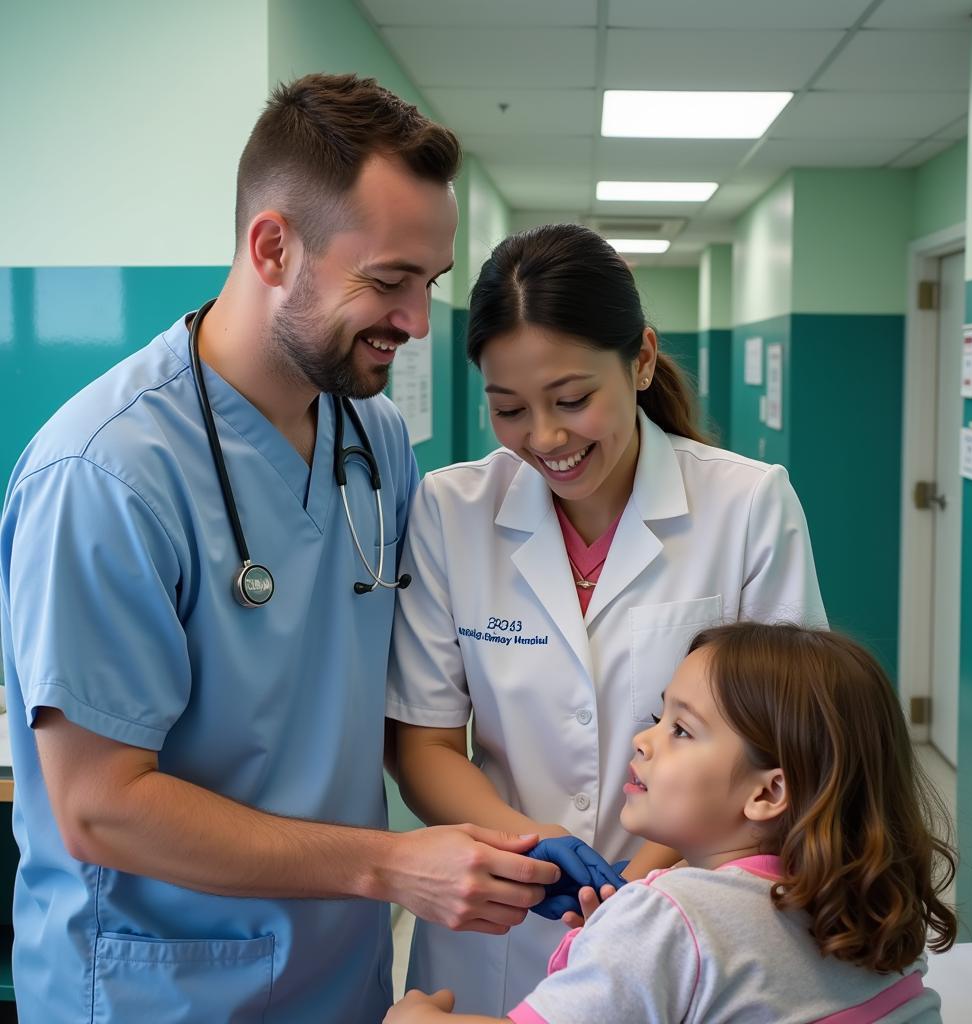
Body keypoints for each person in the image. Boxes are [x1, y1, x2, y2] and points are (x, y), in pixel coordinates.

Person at [0, 73, 558, 1024]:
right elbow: (99, 807)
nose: (419, 323)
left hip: (339, 976)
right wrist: (389, 865)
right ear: (271, 247)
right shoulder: (104, 476)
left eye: (429, 283)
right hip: (159, 989)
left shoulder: (373, 440)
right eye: (388, 282)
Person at [386, 224, 828, 1015]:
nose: (546, 438)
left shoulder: (747, 505)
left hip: (695, 919)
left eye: (573, 399)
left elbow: (793, 738)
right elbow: (421, 740)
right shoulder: (452, 510)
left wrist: (639, 888)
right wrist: (535, 856)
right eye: (509, 408)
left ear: (643, 361)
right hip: (499, 917)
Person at [386, 622, 959, 1023]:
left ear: (768, 791)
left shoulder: (666, 919)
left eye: (681, 730)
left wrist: (413, 1017)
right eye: (660, 717)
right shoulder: (868, 901)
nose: (644, 739)